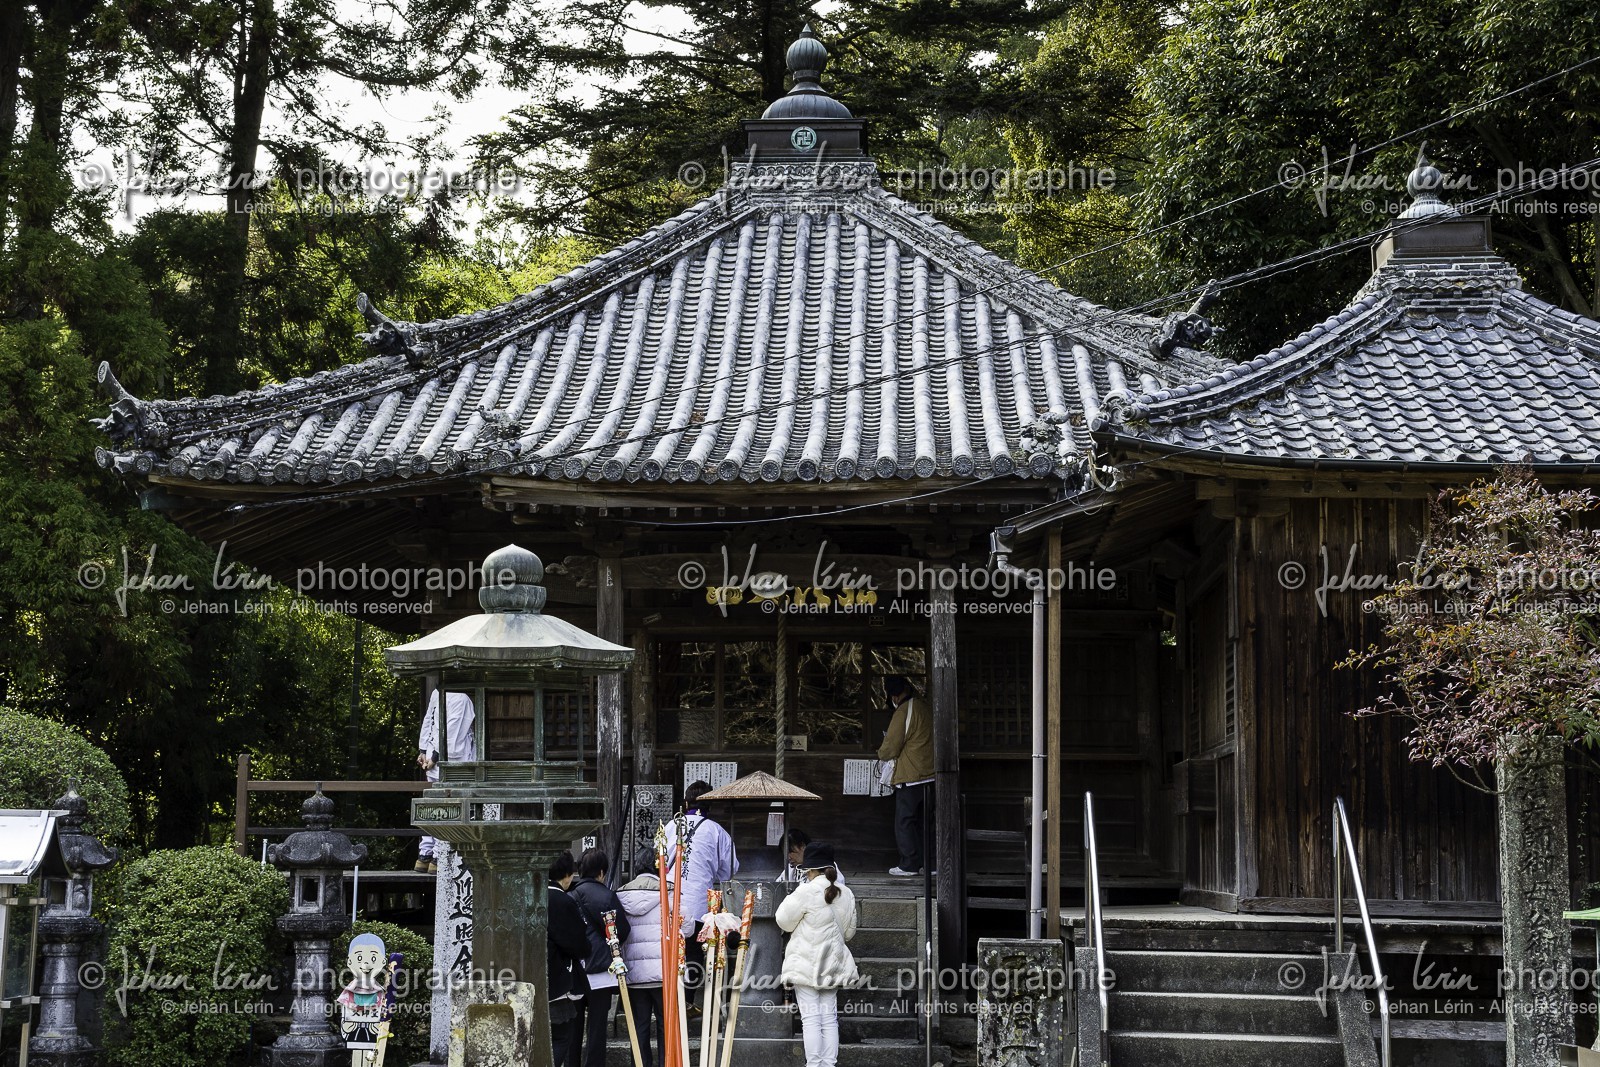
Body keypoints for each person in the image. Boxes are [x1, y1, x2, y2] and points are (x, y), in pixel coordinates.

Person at [775, 842, 858, 1067]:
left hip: (805, 962)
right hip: (833, 963)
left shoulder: (805, 891)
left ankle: (814, 1064)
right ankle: (829, 1064)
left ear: (809, 869)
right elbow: (849, 933)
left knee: (810, 1019)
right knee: (829, 1019)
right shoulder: (847, 893)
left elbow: (783, 920)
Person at [665, 780, 739, 993]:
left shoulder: (670, 826)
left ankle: (669, 1000)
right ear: (710, 805)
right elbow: (729, 870)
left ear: (686, 802)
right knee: (693, 951)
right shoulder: (717, 832)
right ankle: (688, 1000)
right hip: (698, 901)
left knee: (668, 949)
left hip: (669, 899)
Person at [568, 847, 631, 1067]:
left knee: (573, 1026)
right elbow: (622, 930)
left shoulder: (569, 896)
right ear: (602, 872)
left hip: (575, 970)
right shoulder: (607, 896)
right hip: (602, 970)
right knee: (597, 1028)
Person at [876, 675, 934, 877]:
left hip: (911, 776)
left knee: (905, 821)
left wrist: (880, 753)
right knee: (928, 823)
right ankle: (932, 864)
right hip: (932, 775)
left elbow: (890, 748)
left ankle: (909, 864)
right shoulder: (925, 708)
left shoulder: (903, 712)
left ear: (894, 695)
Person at [416, 688, 475, 873]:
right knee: (447, 807)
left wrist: (423, 751)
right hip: (450, 761)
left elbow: (429, 721)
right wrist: (435, 756)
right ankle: (437, 856)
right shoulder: (461, 698)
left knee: (433, 803)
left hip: (432, 757)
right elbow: (452, 732)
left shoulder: (437, 692)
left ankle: (424, 855)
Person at [618, 847, 666, 1067]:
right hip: (663, 972)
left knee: (639, 1026)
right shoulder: (669, 891)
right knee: (666, 1025)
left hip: (634, 972)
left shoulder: (622, 894)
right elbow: (685, 928)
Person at [547, 851, 591, 1065]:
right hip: (556, 978)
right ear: (567, 874)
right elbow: (578, 944)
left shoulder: (530, 893)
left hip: (527, 975)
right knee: (561, 1037)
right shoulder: (562, 901)